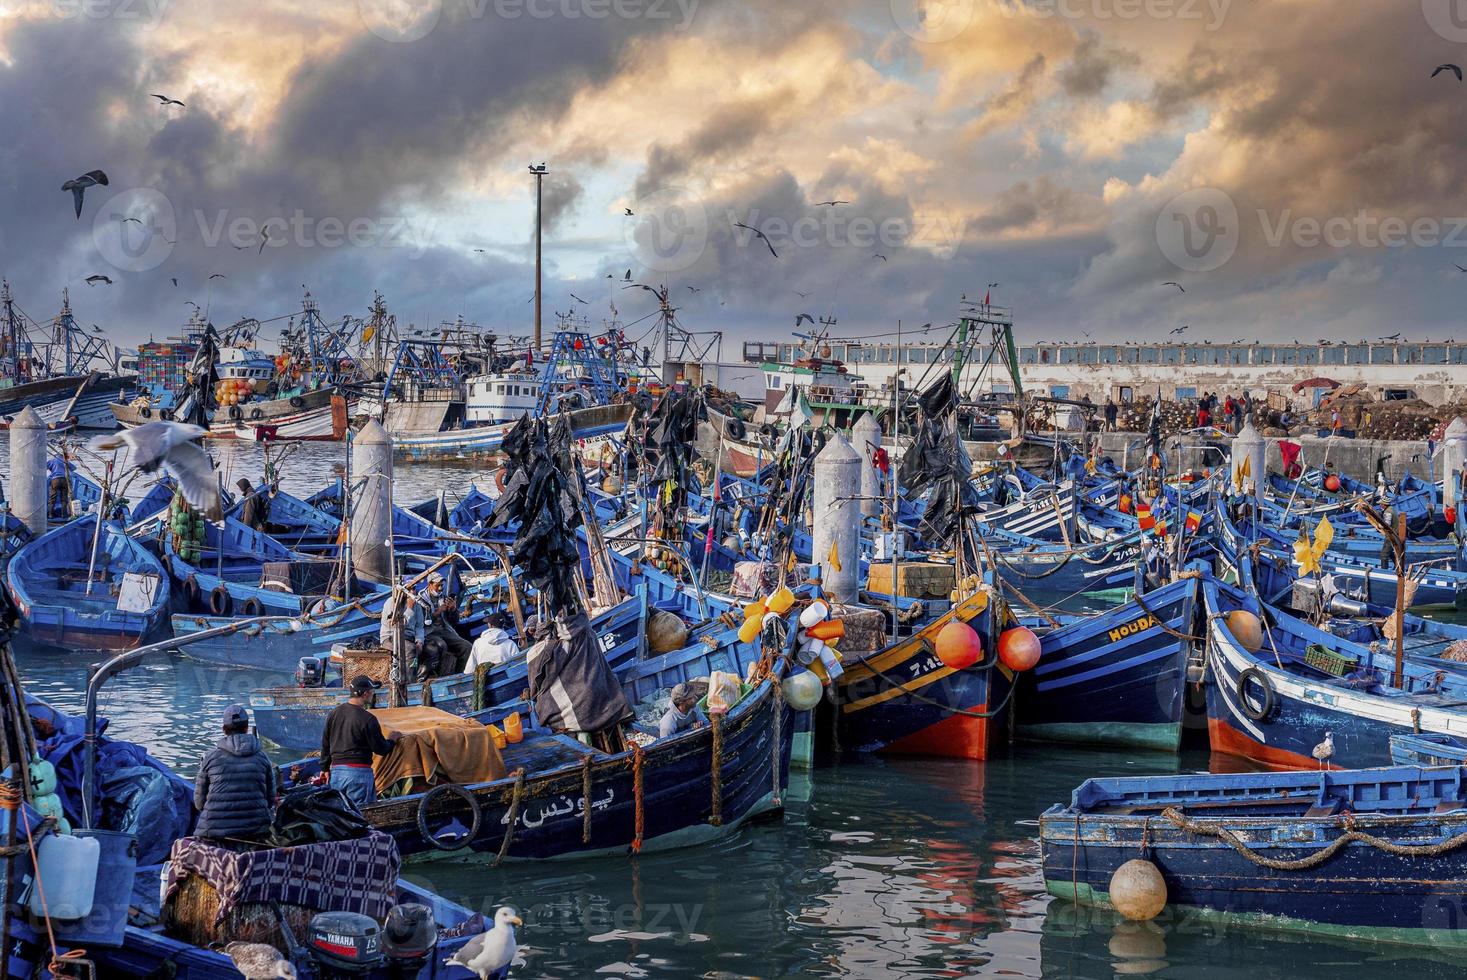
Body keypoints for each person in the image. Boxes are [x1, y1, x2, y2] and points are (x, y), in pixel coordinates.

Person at [194, 704, 277, 841]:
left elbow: (199, 803)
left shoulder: (210, 758)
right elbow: (270, 800)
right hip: (256, 831)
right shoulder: (263, 758)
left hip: (214, 832)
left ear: (224, 729)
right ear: (246, 728)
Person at [320, 675, 398, 810]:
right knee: (359, 817)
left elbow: (325, 743)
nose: (373, 694)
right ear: (366, 694)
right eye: (372, 691)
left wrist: (324, 768)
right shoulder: (368, 719)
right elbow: (381, 749)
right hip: (358, 775)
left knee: (340, 815)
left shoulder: (334, 713)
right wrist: (392, 739)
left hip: (337, 773)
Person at [420, 572, 472, 677]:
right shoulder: (420, 600)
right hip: (428, 632)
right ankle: (439, 676)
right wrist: (437, 612)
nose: (440, 588)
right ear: (429, 584)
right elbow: (419, 622)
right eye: (437, 585)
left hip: (444, 630)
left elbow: (454, 621)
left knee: (467, 646)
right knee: (441, 646)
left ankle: (459, 674)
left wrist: (453, 609)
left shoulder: (444, 598)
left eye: (441, 585)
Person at [46, 452, 71, 519]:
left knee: (52, 498)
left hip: (55, 480)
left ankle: (50, 515)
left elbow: (44, 466)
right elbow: (73, 468)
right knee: (64, 498)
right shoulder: (65, 461)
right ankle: (64, 515)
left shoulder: (52, 460)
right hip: (64, 480)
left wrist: (52, 469)